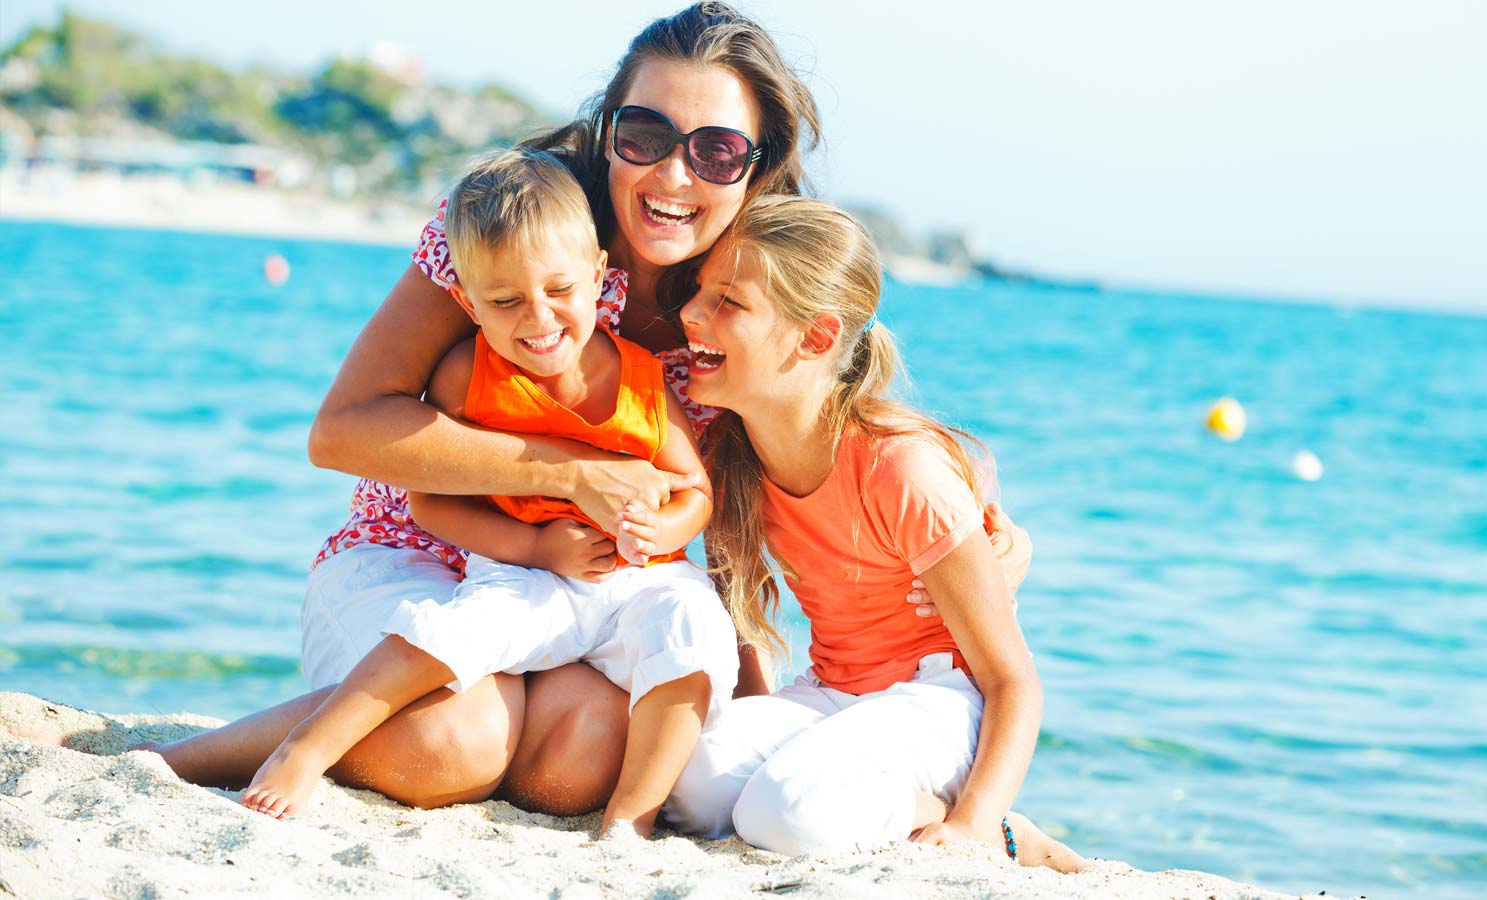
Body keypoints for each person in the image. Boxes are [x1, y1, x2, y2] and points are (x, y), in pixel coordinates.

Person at [114, 2, 1033, 819]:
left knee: (585, 761)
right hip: (420, 553)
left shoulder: (744, 302)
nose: (674, 173)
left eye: (715, 149)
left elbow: (816, 447)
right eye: (644, 133)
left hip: (594, 595)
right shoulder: (515, 228)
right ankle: (181, 757)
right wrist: (567, 474)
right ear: (606, 134)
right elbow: (344, 430)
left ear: (756, 170)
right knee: (454, 744)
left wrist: (966, 510)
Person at [237, 149, 737, 838]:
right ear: (469, 302)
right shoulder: (469, 376)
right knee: (453, 644)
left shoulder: (641, 377)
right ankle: (301, 746)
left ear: (598, 276)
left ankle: (631, 821)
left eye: (560, 291)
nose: (538, 318)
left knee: (683, 638)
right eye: (505, 302)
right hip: (520, 569)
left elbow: (695, 490)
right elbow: (429, 502)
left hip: (630, 580)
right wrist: (536, 542)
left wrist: (668, 530)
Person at [659, 196, 1085, 872]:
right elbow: (737, 618)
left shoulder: (902, 470)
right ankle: (827, 791)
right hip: (837, 692)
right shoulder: (729, 457)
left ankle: (996, 829)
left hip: (943, 703)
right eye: (701, 290)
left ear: (817, 338)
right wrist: (760, 746)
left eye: (729, 302)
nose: (691, 313)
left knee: (783, 812)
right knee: (686, 779)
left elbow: (1013, 682)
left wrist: (973, 824)